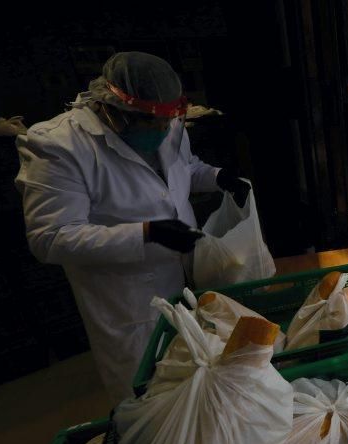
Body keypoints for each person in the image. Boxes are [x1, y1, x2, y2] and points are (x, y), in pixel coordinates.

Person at [15, 52, 248, 404]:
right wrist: (146, 234)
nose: (161, 129)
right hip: (128, 301)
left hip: (185, 279)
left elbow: (182, 170)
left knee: (198, 385)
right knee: (148, 397)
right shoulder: (58, 145)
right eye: (148, 120)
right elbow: (50, 238)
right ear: (112, 108)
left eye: (168, 120)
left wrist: (217, 177)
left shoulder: (167, 125)